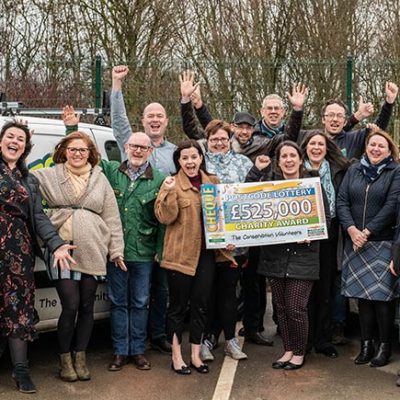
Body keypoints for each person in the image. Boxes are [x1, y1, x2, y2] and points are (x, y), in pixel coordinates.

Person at [62, 108, 165, 371]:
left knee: (141, 303)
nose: (138, 151)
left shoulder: (161, 180)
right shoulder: (109, 171)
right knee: (118, 303)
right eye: (133, 146)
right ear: (126, 147)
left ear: (150, 151)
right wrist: (72, 129)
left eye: (143, 147)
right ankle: (120, 351)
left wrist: (160, 250)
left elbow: (163, 219)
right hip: (113, 251)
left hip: (143, 253)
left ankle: (138, 351)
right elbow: (80, 156)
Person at [32, 131, 125, 382]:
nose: (77, 154)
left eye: (82, 150)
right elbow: (20, 176)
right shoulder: (49, 174)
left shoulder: (100, 179)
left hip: (92, 249)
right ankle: (64, 359)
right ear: (64, 151)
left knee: (86, 306)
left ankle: (80, 357)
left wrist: (116, 251)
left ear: (90, 154)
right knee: (70, 305)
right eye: (72, 149)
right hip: (63, 250)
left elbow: (112, 217)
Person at [0, 121, 75, 393]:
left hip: (18, 254)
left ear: (25, 147)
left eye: (20, 139)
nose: (15, 142)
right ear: (0, 142)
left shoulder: (29, 179)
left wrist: (56, 244)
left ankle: (21, 371)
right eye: (10, 136)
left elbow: (39, 218)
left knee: (18, 310)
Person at [246, 140, 330, 370]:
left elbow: (326, 219)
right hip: (275, 256)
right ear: (278, 161)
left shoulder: (312, 185)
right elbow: (245, 197)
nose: (289, 160)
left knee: (295, 307)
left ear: (300, 159)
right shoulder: (269, 186)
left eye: (293, 155)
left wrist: (312, 234)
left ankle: (300, 352)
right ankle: (288, 349)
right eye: (284, 156)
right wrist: (256, 171)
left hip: (303, 256)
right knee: (281, 307)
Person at [155, 139, 236, 375]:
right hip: (179, 256)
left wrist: (228, 238)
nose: (190, 162)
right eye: (185, 158)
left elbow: (224, 218)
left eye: (194, 157)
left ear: (201, 158)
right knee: (178, 308)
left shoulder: (213, 182)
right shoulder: (171, 183)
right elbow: (164, 218)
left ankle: (195, 355)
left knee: (201, 306)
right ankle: (177, 356)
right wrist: (168, 192)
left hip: (207, 256)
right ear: (178, 161)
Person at [110, 65, 176, 355]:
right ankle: (131, 346)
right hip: (130, 237)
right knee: (132, 296)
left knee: (159, 290)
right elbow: (118, 119)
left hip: (161, 231)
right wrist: (116, 85)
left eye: (159, 115)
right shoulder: (131, 142)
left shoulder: (174, 152)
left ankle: (157, 334)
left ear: (166, 121)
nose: (154, 119)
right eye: (150, 115)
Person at [337, 130, 400, 367]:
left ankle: (384, 346)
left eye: (381, 146)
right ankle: (366, 344)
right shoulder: (354, 169)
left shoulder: (395, 171)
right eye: (372, 144)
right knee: (363, 298)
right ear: (366, 147)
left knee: (383, 299)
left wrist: (367, 231)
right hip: (355, 241)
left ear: (389, 149)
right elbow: (342, 201)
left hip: (382, 241)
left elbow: (393, 204)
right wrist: (352, 230)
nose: (375, 149)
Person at [299, 131, 349, 358]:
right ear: (306, 147)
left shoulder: (337, 168)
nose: (317, 147)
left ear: (326, 147)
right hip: (303, 235)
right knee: (305, 290)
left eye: (321, 143)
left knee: (326, 288)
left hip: (330, 233)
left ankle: (323, 339)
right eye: (312, 144)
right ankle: (304, 340)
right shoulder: (296, 168)